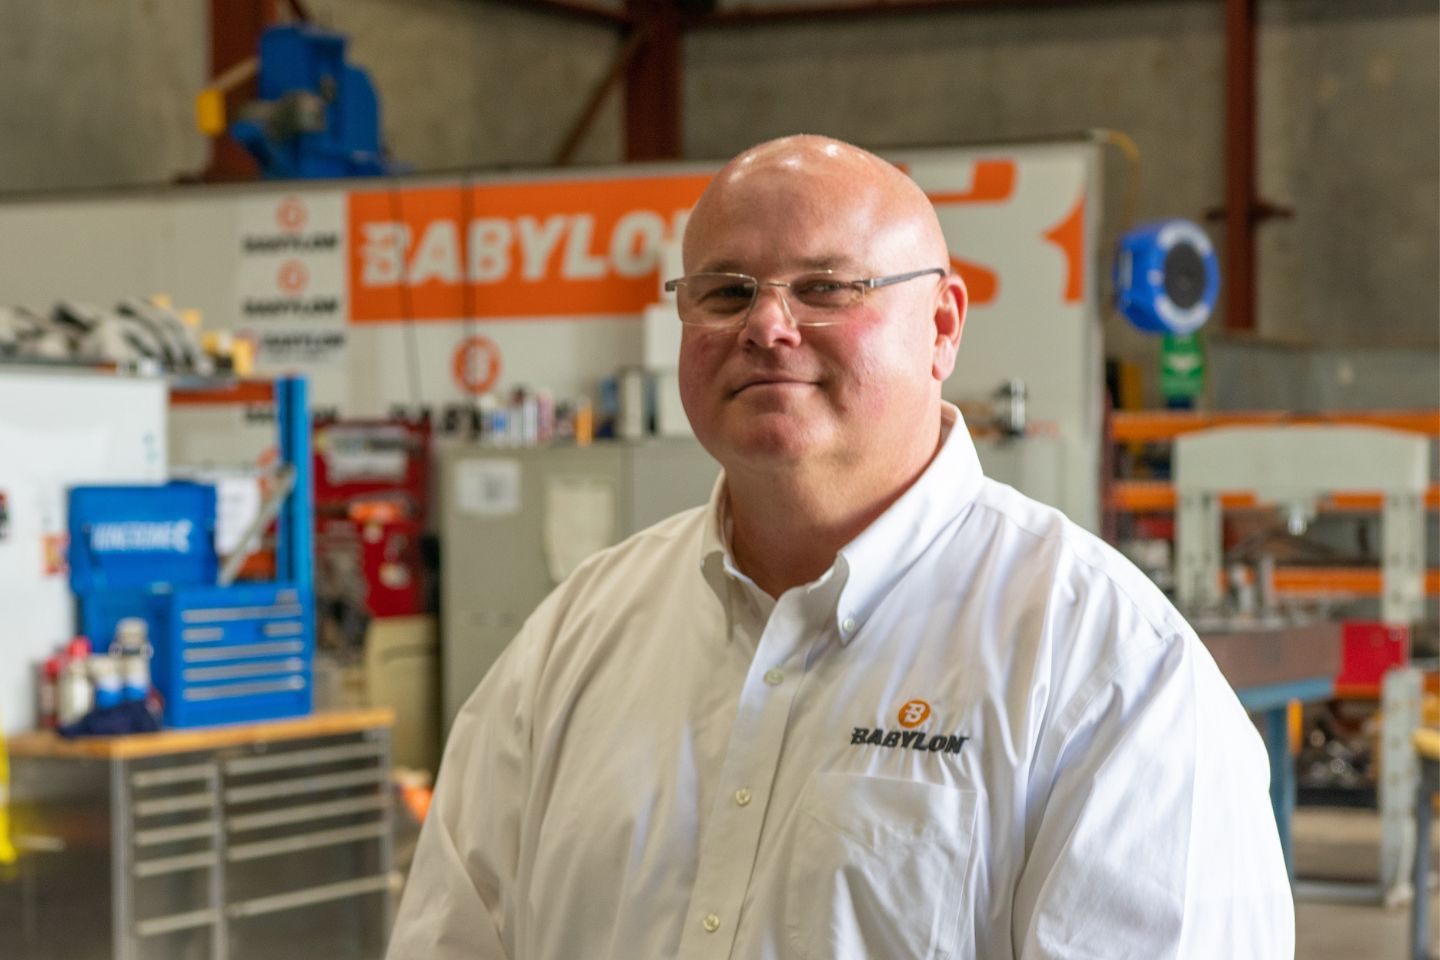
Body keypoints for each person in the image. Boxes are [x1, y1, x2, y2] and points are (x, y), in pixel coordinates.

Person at [388, 135, 1294, 959]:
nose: (766, 326)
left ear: (942, 325)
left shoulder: (1110, 670)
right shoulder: (574, 639)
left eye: (826, 288)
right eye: (726, 292)